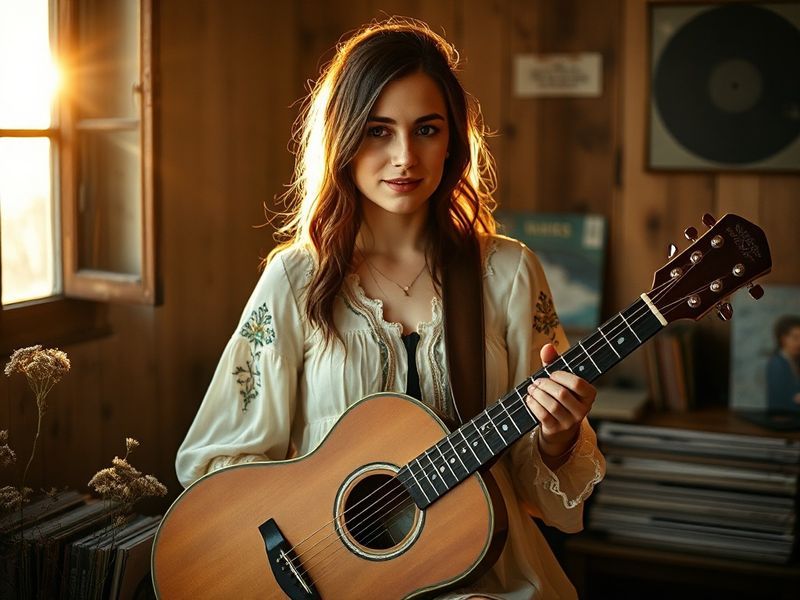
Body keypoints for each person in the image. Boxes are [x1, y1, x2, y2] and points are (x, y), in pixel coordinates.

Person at [176, 18, 605, 599]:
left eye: (426, 129)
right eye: (380, 131)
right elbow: (216, 460)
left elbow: (533, 487)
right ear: (344, 137)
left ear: (452, 139)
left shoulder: (507, 273)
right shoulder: (295, 279)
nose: (405, 156)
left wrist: (557, 437)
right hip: (332, 581)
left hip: (485, 571)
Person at [766, 315, 800, 411]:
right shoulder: (777, 363)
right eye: (795, 337)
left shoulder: (795, 361)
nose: (799, 342)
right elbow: (782, 396)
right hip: (782, 417)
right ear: (784, 338)